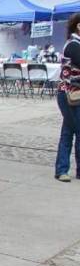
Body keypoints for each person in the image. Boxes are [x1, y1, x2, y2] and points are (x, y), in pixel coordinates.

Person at [54, 13, 80, 183]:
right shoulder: (73, 45)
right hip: (70, 94)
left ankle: (62, 170)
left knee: (68, 131)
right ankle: (66, 170)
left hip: (70, 94)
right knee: (76, 130)